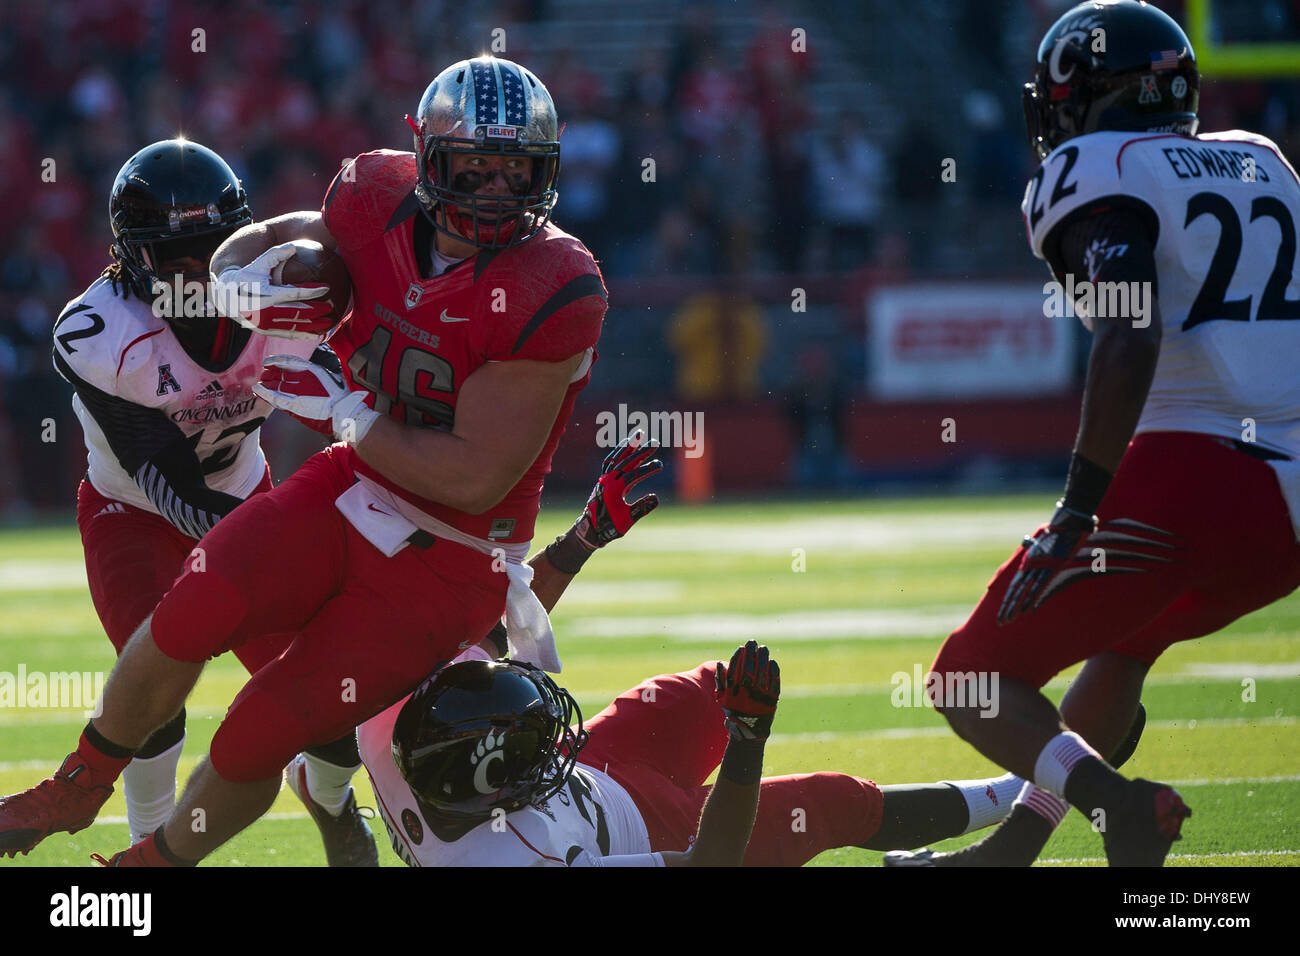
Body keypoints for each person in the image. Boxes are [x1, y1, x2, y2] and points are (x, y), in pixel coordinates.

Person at [0, 55, 608, 868]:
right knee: (190, 610)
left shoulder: (556, 284)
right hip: (332, 486)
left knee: (264, 729)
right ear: (427, 160)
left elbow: (472, 477)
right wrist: (249, 269)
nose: (496, 191)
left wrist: (348, 409)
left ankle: (153, 868)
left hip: (449, 549)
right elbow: (302, 240)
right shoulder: (367, 197)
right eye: (475, 167)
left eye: (516, 171)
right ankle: (84, 780)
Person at [891, 0, 1300, 867]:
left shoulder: (1096, 165)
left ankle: (1119, 809)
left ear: (1090, 97)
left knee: (968, 681)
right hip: (1289, 508)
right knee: (1124, 643)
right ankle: (1014, 851)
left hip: (1200, 474)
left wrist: (1078, 508)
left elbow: (1129, 331)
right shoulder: (1260, 160)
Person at [41, 138, 376, 866]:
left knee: (326, 701)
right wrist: (296, 539)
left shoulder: (282, 303)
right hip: (132, 514)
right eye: (175, 254)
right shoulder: (101, 334)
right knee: (151, 706)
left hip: (244, 494)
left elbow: (354, 412)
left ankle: (330, 797)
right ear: (132, 258)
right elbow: (168, 485)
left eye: (210, 247)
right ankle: (144, 852)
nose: (196, 273)